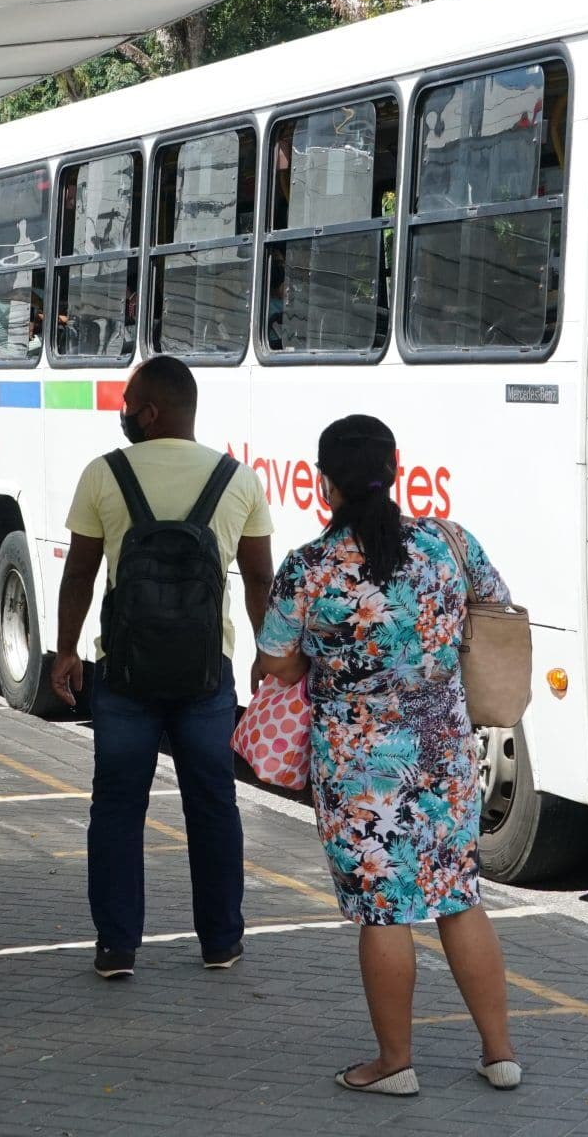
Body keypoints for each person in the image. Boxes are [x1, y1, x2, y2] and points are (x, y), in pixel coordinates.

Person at [251, 414, 520, 1096]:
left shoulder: (309, 568)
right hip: (445, 755)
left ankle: (395, 1064)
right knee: (459, 896)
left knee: (384, 909)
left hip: (358, 767)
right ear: (395, 467)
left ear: (325, 483)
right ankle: (499, 1055)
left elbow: (275, 661)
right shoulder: (449, 543)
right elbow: (497, 608)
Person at [47, 356, 271, 979]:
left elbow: (79, 574)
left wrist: (66, 651)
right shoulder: (238, 479)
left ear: (148, 412)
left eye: (128, 405)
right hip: (207, 672)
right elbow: (259, 579)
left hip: (124, 672)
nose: (123, 415)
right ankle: (221, 941)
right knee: (213, 803)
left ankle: (117, 946)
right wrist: (268, 655)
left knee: (117, 806)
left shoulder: (104, 473)